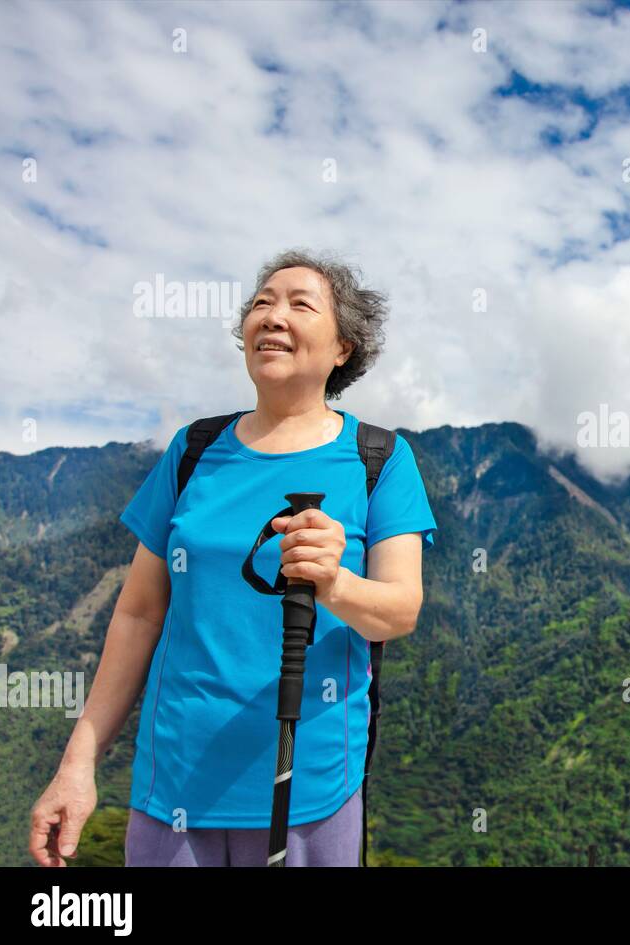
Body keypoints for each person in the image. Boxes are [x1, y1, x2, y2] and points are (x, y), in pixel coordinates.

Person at [28, 249, 436, 866]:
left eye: (301, 304)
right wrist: (77, 763)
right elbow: (138, 615)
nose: (272, 315)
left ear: (343, 348)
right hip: (174, 791)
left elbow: (400, 611)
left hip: (310, 794)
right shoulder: (194, 450)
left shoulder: (379, 459)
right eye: (262, 302)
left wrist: (336, 584)